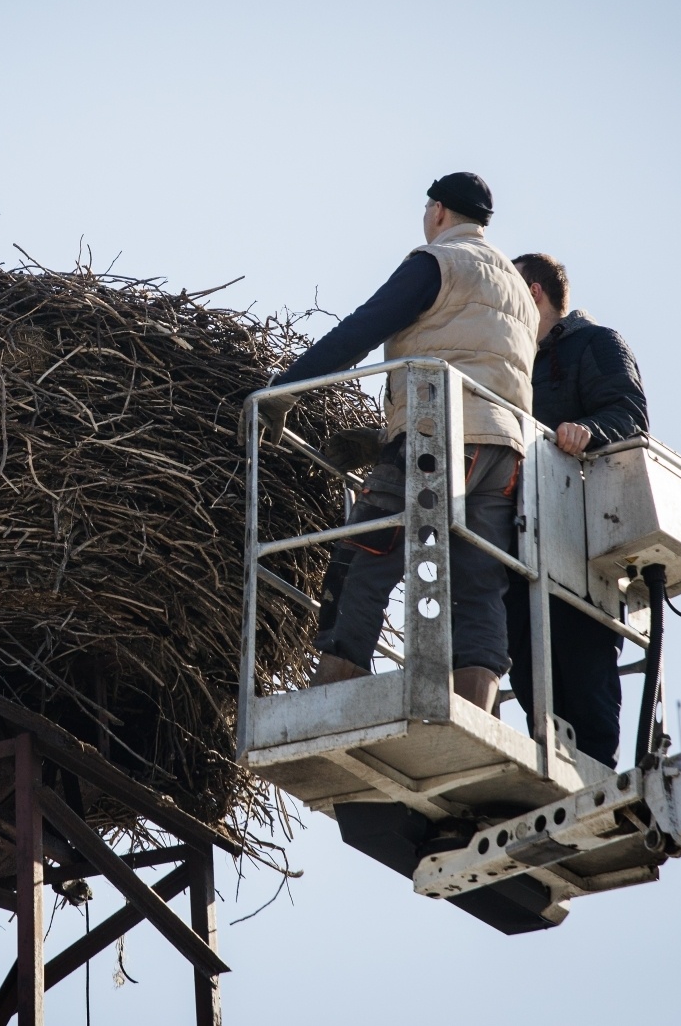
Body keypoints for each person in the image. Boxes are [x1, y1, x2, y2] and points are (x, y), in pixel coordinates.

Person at [255, 173, 538, 712]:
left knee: (366, 555)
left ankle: (331, 704)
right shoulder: (519, 293)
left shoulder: (439, 261)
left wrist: (282, 392)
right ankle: (475, 711)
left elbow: (363, 328)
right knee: (479, 586)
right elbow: (484, 361)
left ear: (437, 212)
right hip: (504, 454)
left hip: (439, 435)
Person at [504, 253, 648, 767]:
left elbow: (629, 413)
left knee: (583, 662)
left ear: (535, 293)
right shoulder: (515, 358)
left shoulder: (596, 343)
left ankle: (598, 777)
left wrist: (589, 431)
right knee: (527, 670)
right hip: (521, 541)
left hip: (581, 538)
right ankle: (552, 770)